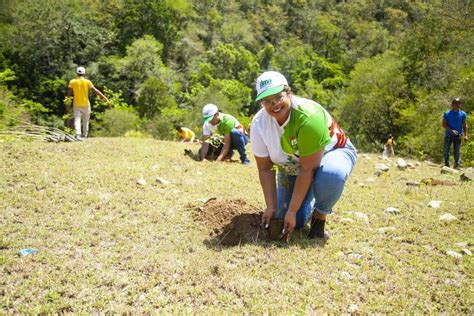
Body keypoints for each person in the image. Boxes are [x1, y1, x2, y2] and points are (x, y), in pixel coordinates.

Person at [250, 71, 357, 239]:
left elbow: (308, 169)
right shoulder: (259, 124)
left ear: (289, 92)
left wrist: (292, 211)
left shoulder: (308, 117)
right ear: (261, 103)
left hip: (332, 153)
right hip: (294, 164)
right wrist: (271, 207)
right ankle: (308, 200)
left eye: (278, 97)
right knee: (294, 220)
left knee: (330, 175)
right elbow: (265, 168)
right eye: (267, 101)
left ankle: (319, 215)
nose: (274, 104)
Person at [65, 66, 109, 139]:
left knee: (77, 119)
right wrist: (104, 98)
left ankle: (78, 134)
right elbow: (96, 91)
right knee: (86, 121)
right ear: (84, 73)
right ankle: (84, 135)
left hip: (76, 104)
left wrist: (67, 104)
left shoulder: (72, 82)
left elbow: (68, 94)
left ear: (76, 73)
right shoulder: (87, 82)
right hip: (86, 104)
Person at [443, 97, 468, 169]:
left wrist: (466, 135)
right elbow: (444, 124)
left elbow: (465, 125)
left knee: (457, 151)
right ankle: (446, 165)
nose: (458, 104)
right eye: (456, 103)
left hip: (458, 136)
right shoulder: (447, 113)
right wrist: (451, 130)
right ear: (453, 104)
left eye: (459, 103)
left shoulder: (463, 114)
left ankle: (457, 165)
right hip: (448, 135)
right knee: (446, 150)